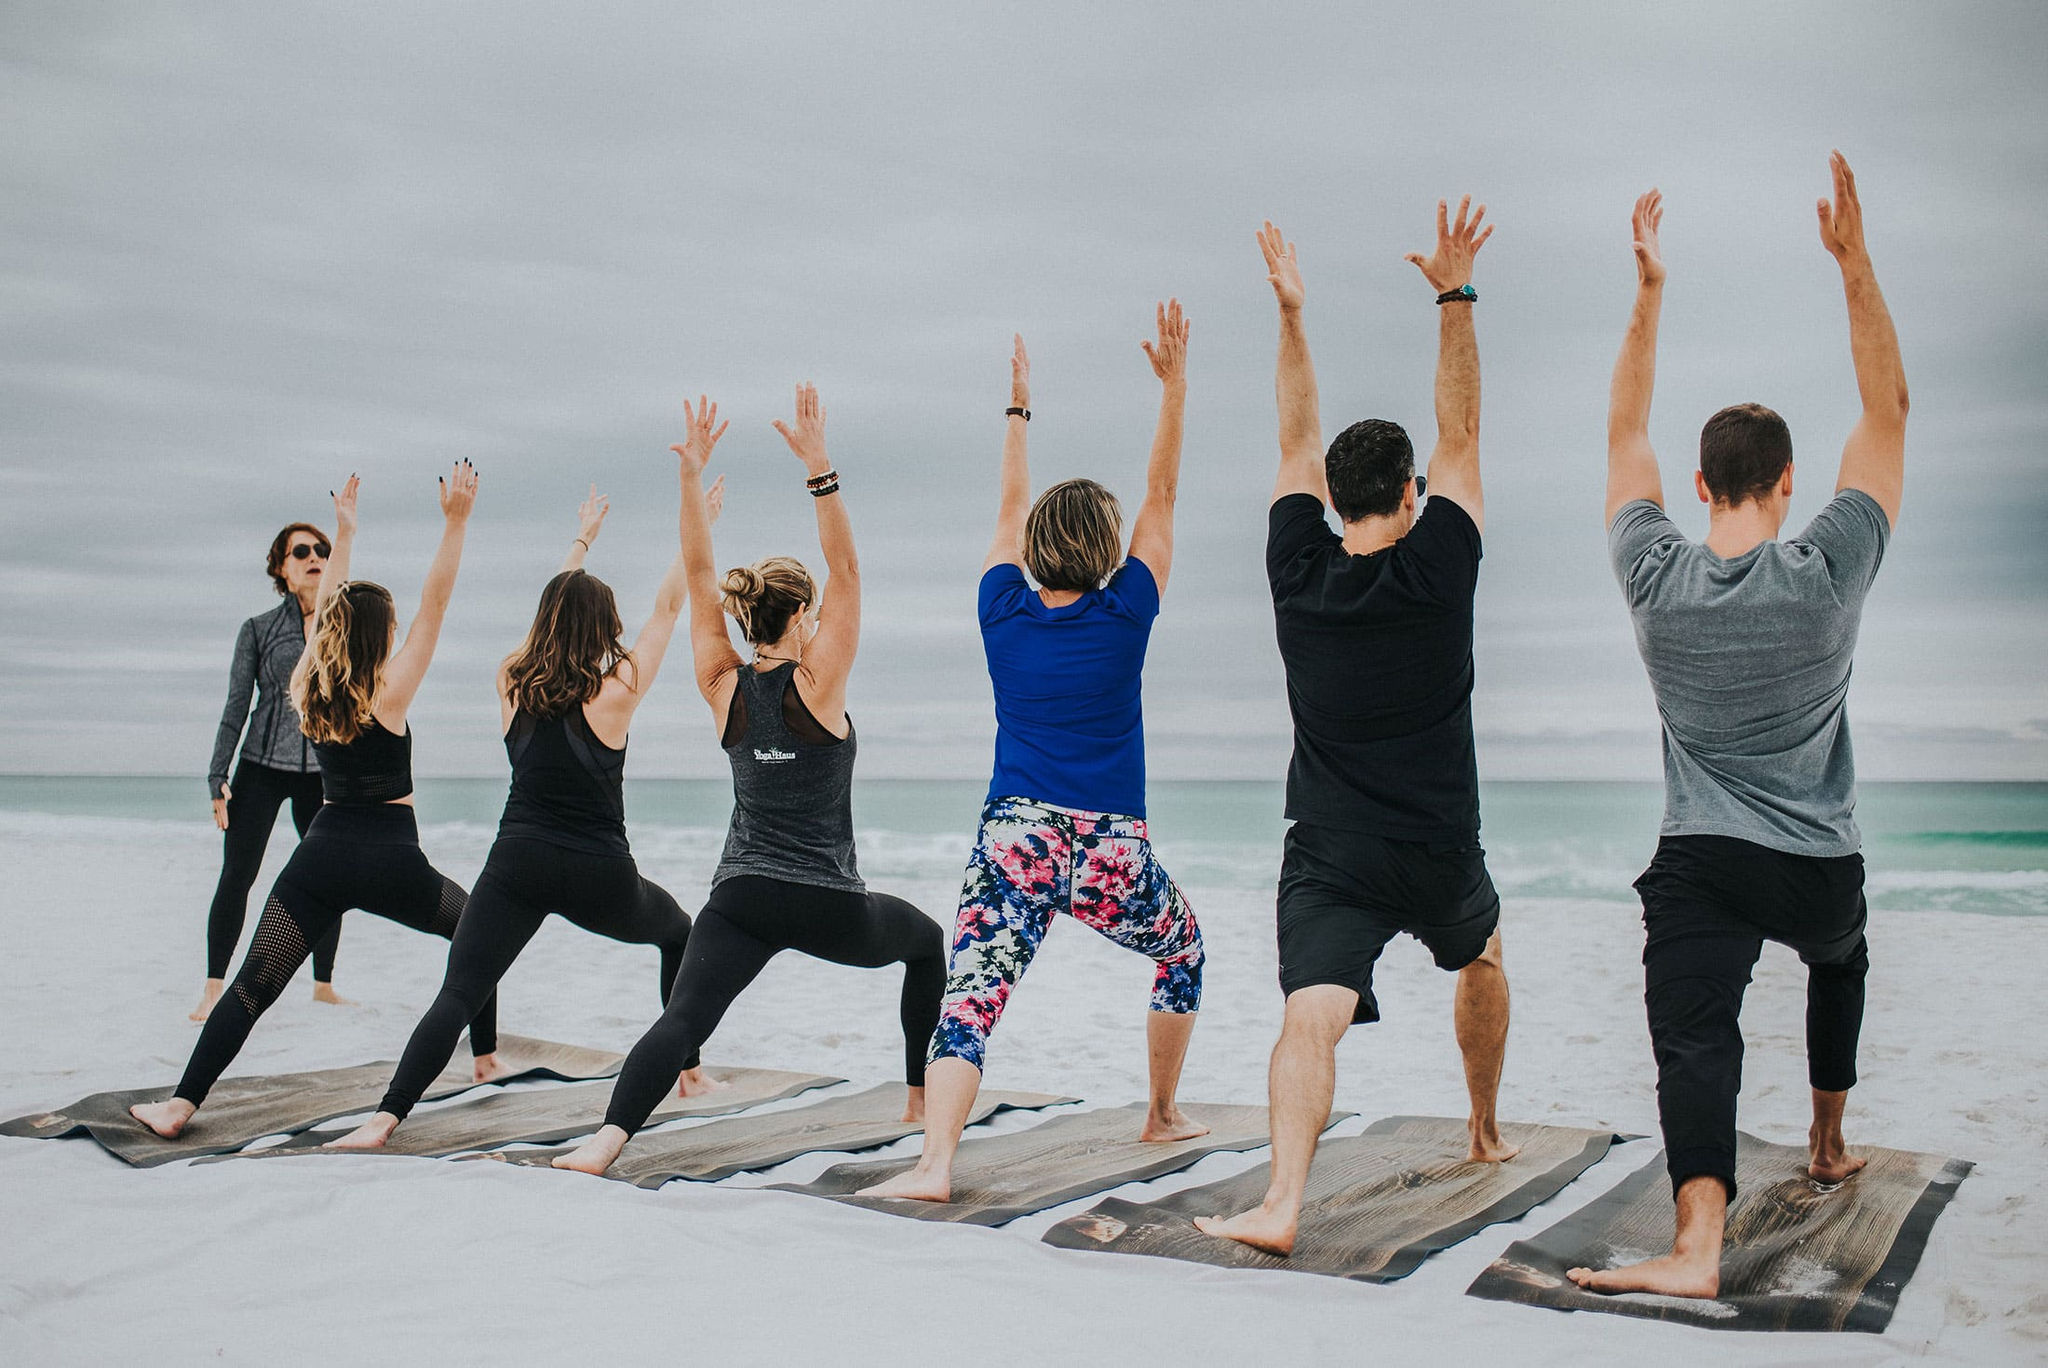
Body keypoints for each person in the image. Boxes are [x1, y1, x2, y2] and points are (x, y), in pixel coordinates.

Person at [1566, 153, 1907, 1299]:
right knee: (1840, 955)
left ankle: (1696, 1245)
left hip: (1701, 862)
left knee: (1694, 1037)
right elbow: (1886, 412)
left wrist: (1649, 290)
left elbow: (1621, 429)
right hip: (1817, 865)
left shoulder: (1652, 576)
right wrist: (1852, 265)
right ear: (1784, 482)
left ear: (1702, 488)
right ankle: (1822, 1139)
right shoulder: (1824, 573)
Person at [1196, 206, 1515, 1257]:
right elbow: (1461, 431)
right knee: (1480, 959)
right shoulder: (1439, 567)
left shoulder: (1297, 571)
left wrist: (1290, 313)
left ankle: (1282, 1202)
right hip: (1436, 848)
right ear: (1413, 497)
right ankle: (1481, 1128)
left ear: (1330, 501)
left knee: (1308, 1018)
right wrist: (1454, 294)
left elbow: (1293, 436)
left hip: (1329, 855)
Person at [552, 384, 948, 1176]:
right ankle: (916, 1100)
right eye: (811, 613)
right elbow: (848, 566)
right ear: (802, 617)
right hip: (830, 905)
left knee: (684, 1019)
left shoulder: (722, 685)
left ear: (746, 621)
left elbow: (699, 574)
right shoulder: (818, 686)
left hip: (741, 899)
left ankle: (603, 1144)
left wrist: (691, 478)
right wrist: (819, 468)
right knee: (928, 944)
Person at [859, 305, 1207, 1204]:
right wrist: (1173, 391)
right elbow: (1162, 499)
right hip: (1108, 848)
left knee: (971, 1001)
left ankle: (935, 1165)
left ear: (1030, 553)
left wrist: (1018, 414)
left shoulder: (999, 610)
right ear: (1106, 552)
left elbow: (1011, 509)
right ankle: (1162, 1111)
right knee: (1183, 951)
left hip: (1015, 836)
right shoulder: (1125, 611)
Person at [329, 430, 720, 1150]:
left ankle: (384, 1119)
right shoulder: (617, 688)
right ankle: (689, 1072)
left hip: (517, 864)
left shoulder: (511, 677)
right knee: (678, 932)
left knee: (459, 991)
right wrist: (697, 531)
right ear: (605, 628)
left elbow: (550, 614)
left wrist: (580, 541)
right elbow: (671, 609)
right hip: (601, 875)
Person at [130, 465, 499, 1139]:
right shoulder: (388, 695)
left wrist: (346, 534)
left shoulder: (308, 684)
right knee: (478, 938)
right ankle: (484, 1059)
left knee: (252, 985)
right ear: (383, 634)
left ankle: (180, 1105)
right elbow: (436, 604)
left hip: (319, 858)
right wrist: (456, 521)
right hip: (394, 862)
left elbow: (328, 611)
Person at [193, 522, 349, 1021]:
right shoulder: (259, 629)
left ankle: (323, 985)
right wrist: (218, 774)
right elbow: (237, 704)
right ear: (281, 568)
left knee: (329, 877)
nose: (314, 557)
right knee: (237, 874)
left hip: (322, 770)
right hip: (260, 768)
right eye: (300, 551)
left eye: (322, 550)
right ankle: (214, 986)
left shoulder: (341, 626)